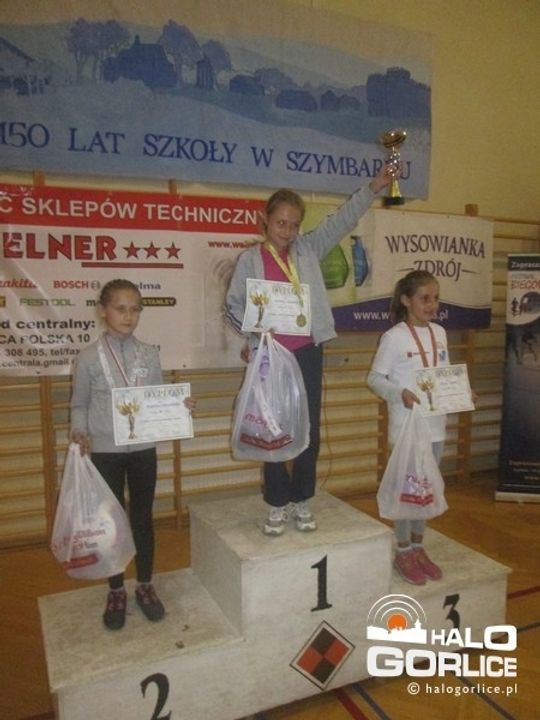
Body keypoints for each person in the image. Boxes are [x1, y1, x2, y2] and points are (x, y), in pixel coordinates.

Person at [225, 165, 394, 536]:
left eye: (293, 225)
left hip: (306, 352)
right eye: (280, 223)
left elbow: (343, 221)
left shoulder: (308, 249)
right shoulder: (250, 260)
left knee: (309, 430)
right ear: (265, 220)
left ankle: (302, 499)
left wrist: (373, 187)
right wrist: (253, 335)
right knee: (272, 429)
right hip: (270, 355)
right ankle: (276, 503)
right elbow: (233, 306)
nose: (287, 231)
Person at [70, 279, 195, 630]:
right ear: (103, 310)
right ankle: (115, 589)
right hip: (105, 452)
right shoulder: (87, 358)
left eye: (135, 309)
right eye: (120, 309)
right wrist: (79, 431)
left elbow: (157, 398)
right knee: (110, 523)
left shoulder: (149, 354)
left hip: (142, 450)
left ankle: (144, 584)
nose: (128, 316)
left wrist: (180, 405)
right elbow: (79, 405)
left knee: (142, 517)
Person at [367, 270, 449, 585]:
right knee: (407, 493)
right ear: (406, 300)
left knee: (425, 491)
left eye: (435, 298)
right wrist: (399, 393)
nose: (432, 304)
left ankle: (418, 546)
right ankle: (402, 550)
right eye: (424, 298)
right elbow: (375, 379)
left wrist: (462, 392)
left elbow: (445, 377)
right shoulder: (394, 337)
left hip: (436, 427)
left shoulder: (440, 333)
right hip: (406, 429)